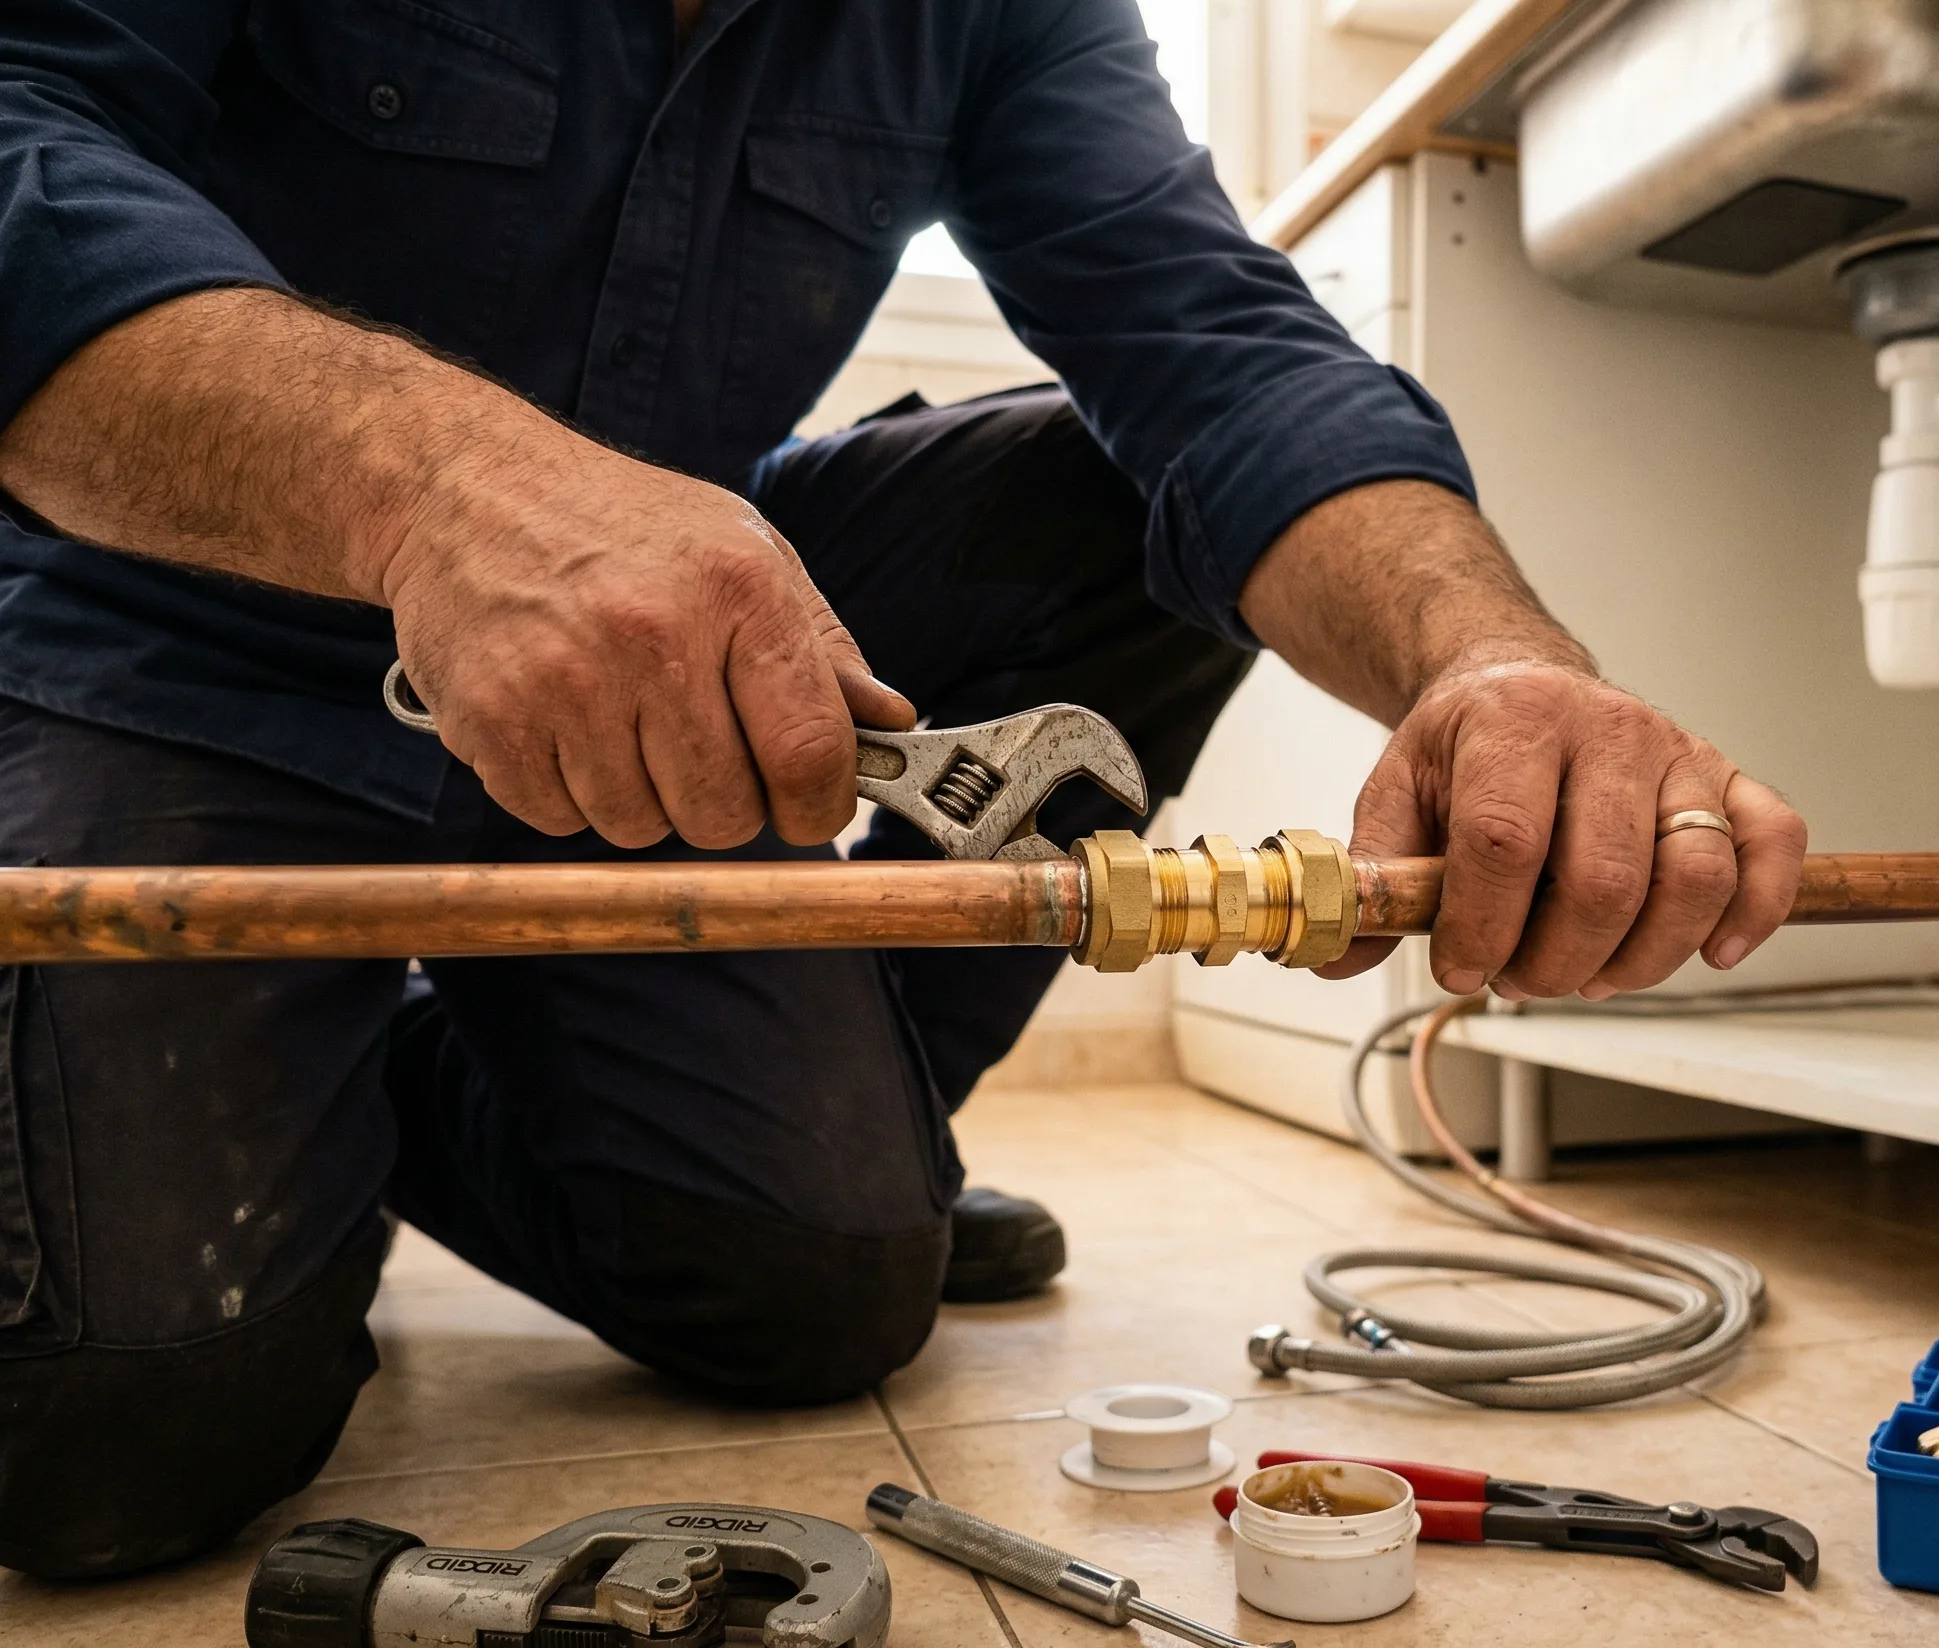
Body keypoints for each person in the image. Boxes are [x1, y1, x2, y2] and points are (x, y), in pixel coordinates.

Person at [0, 0, 1807, 1578]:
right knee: (121, 1436)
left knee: (823, 1288)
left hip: (673, 693)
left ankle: (703, 1107)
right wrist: (436, 490)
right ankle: (298, 1065)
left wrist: (1494, 662)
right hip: (178, 652)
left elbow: (1216, 344)